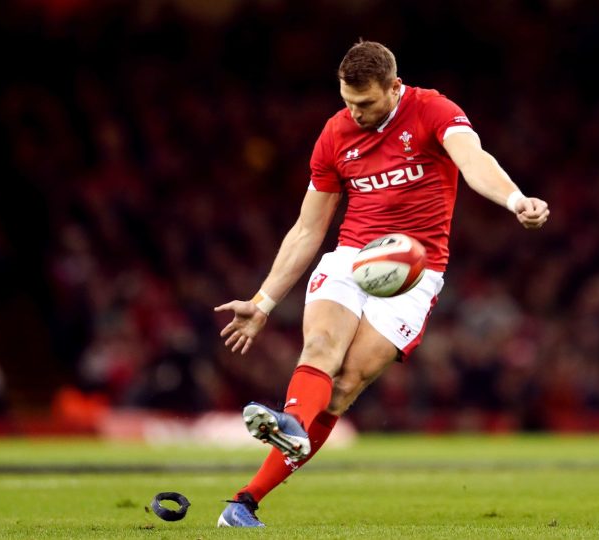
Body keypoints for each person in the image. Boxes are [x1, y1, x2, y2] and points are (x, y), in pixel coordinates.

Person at [214, 40, 549, 528]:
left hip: (416, 272)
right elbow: (308, 229)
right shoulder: (335, 133)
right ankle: (287, 428)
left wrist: (516, 200)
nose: (356, 112)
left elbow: (474, 161)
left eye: (366, 103)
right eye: (348, 101)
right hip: (354, 257)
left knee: (341, 389)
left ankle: (244, 501)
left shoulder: (434, 111)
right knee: (321, 347)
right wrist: (263, 301)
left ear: (394, 87)